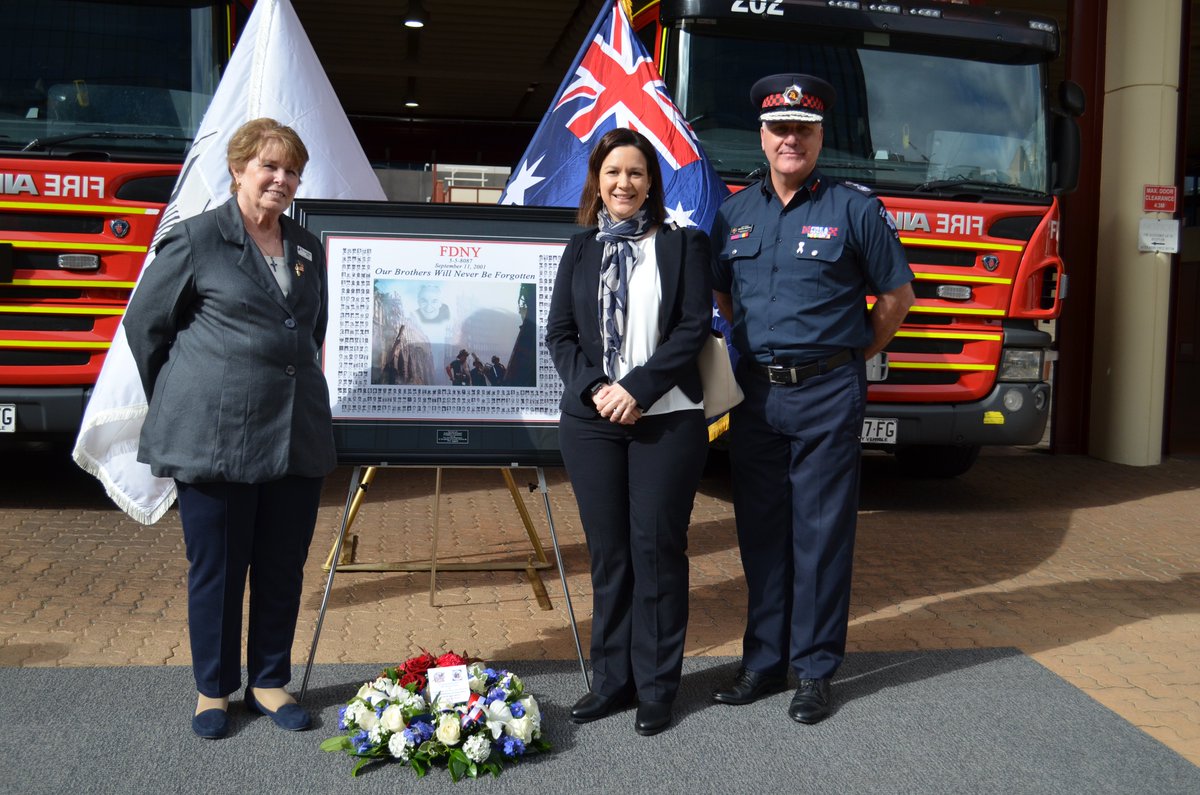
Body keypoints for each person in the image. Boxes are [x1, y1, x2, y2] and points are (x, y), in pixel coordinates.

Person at [709, 75, 915, 724]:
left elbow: (896, 298)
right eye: (779, 128)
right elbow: (722, 298)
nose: (789, 138)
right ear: (762, 138)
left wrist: (850, 355)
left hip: (827, 392)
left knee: (821, 537)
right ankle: (764, 662)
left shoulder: (855, 209)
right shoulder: (734, 214)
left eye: (803, 128)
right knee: (761, 533)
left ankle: (816, 670)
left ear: (821, 136)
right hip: (756, 400)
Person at [123, 118, 335, 739]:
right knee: (217, 569)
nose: (281, 179)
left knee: (281, 564)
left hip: (294, 432)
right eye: (269, 166)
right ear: (238, 169)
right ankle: (212, 691)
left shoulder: (302, 245)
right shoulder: (195, 240)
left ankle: (269, 682)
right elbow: (146, 329)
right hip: (215, 436)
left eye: (291, 170)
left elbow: (308, 330)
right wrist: (189, 394)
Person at [546, 127, 713, 736]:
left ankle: (657, 688)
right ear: (598, 180)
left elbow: (692, 329)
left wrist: (636, 390)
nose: (624, 183)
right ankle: (611, 681)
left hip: (665, 420)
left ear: (652, 183)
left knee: (657, 551)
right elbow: (560, 335)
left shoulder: (684, 244)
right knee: (611, 555)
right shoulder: (580, 249)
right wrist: (596, 389)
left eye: (636, 173)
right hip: (592, 425)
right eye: (613, 172)